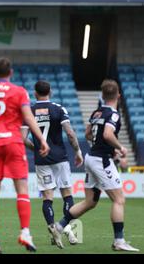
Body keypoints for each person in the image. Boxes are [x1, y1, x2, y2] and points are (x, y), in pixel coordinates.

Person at [0, 57, 50, 254]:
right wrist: (42, 140)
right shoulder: (19, 91)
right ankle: (24, 232)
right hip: (14, 143)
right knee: (21, 189)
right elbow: (29, 118)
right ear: (10, 73)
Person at [50, 79, 139, 252]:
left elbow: (88, 134)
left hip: (91, 157)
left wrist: (106, 148)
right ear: (118, 95)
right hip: (100, 160)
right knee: (119, 199)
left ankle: (59, 227)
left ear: (103, 95)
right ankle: (119, 241)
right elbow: (107, 134)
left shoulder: (97, 112)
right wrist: (120, 148)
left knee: (90, 201)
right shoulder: (113, 114)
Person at [21, 80, 83, 247]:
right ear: (51, 91)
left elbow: (22, 138)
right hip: (60, 158)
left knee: (47, 197)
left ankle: (53, 228)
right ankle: (65, 227)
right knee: (67, 194)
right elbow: (70, 133)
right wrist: (77, 151)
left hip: (42, 160)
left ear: (35, 93)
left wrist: (36, 147)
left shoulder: (29, 111)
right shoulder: (58, 108)